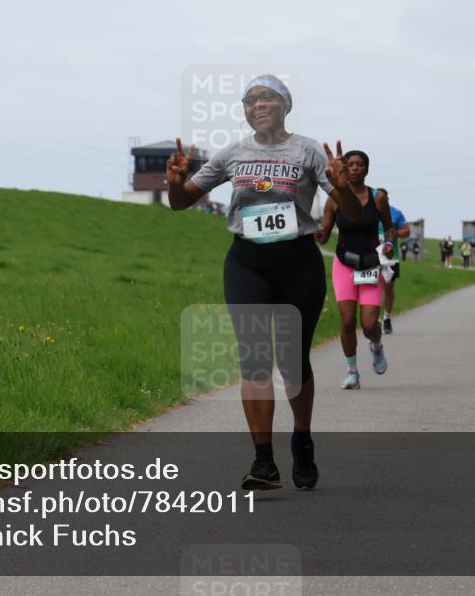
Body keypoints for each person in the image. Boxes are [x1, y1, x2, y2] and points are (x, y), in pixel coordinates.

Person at [167, 74, 363, 491]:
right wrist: (173, 182)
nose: (257, 105)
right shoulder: (233, 153)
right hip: (247, 261)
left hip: (297, 262)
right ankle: (263, 461)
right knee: (254, 360)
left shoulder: (309, 150)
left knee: (293, 363)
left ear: (285, 106)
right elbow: (181, 201)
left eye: (267, 97)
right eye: (250, 99)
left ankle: (302, 439)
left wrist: (342, 188)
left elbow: (351, 212)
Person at [316, 152, 396, 390]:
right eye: (349, 165)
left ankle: (377, 346)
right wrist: (319, 235)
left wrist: (389, 243)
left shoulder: (378, 198)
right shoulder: (334, 200)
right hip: (344, 264)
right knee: (348, 320)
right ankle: (352, 372)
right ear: (343, 169)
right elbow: (325, 235)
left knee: (370, 324)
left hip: (370, 264)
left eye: (360, 165)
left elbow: (390, 229)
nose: (354, 168)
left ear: (367, 169)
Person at [377, 197, 409, 335]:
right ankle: (375, 320)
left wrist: (394, 233)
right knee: (373, 287)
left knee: (388, 289)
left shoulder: (396, 213)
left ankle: (387, 317)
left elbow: (406, 231)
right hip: (371, 256)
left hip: (391, 257)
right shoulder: (368, 212)